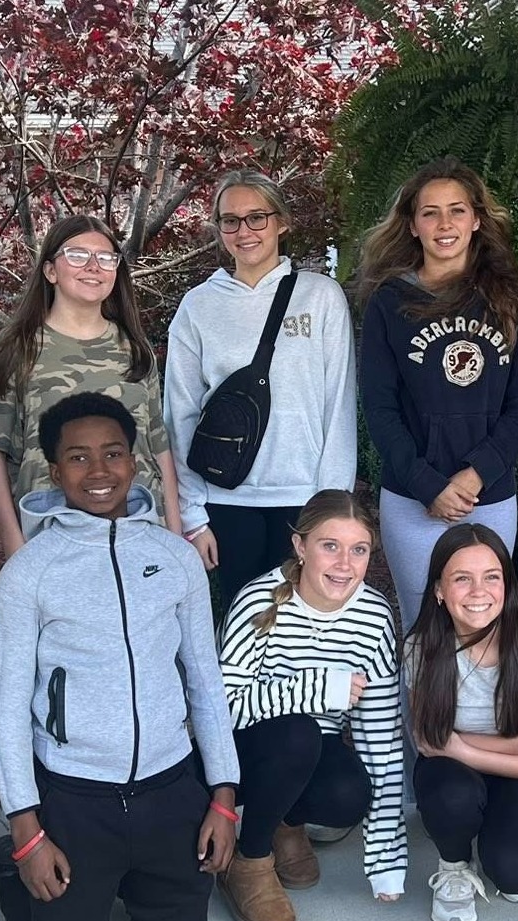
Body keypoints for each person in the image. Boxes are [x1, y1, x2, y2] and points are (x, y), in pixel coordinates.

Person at [0, 392, 239, 921]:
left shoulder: (174, 559)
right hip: (76, 797)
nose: (98, 472)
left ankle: (129, 881)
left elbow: (206, 683)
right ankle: (14, 868)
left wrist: (223, 798)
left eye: (113, 454)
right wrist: (25, 829)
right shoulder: (30, 572)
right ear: (54, 470)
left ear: (135, 461)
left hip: (168, 787)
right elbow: (4, 708)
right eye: (78, 457)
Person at [357, 157, 518, 633]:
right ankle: (417, 714)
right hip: (413, 497)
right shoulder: (389, 301)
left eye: (457, 210)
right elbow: (379, 408)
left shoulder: (509, 298)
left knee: (484, 627)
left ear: (477, 219)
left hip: (490, 496)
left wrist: (477, 475)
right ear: (413, 225)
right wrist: (428, 485)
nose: (445, 224)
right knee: (421, 630)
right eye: (430, 212)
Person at [164, 171, 357, 611]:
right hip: (228, 501)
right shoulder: (199, 306)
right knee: (243, 624)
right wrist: (193, 516)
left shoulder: (321, 297)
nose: (244, 231)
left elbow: (339, 405)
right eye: (230, 221)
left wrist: (332, 508)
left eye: (256, 218)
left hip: (305, 499)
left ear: (282, 222)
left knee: (307, 622)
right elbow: (180, 414)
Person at [215, 490, 407, 921]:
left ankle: (288, 821)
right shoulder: (259, 601)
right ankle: (250, 858)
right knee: (298, 734)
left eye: (358, 550)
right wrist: (320, 689)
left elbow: (381, 738)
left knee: (347, 795)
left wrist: (386, 862)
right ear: (301, 547)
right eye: (329, 546)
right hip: (247, 744)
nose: (344, 564)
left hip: (310, 745)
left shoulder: (374, 617)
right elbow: (223, 711)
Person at [404, 525, 518, 921]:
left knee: (517, 879)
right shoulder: (423, 647)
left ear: (507, 584)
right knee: (451, 796)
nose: (478, 591)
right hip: (453, 773)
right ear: (439, 591)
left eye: (491, 577)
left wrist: (465, 747)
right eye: (462, 579)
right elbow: (430, 742)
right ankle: (454, 865)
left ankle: (495, 831)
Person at [0, 214, 181, 555]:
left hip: (140, 533)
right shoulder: (18, 348)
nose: (93, 266)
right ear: (50, 271)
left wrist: (175, 536)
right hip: (52, 535)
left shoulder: (132, 346)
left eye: (105, 258)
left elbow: (158, 445)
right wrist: (15, 545)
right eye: (76, 255)